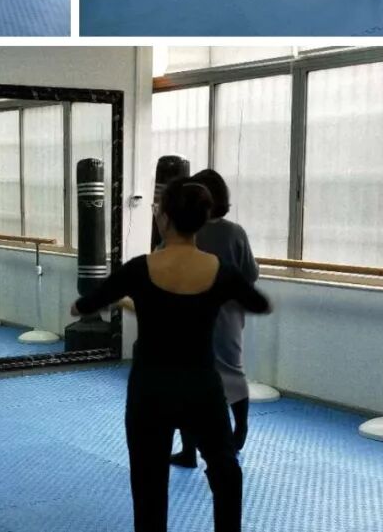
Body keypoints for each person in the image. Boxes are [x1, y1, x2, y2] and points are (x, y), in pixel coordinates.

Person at [72, 177, 271, 532]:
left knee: (148, 484)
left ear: (164, 218)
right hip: (202, 387)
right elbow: (258, 303)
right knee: (226, 472)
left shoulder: (140, 268)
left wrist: (113, 302)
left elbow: (85, 304)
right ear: (202, 219)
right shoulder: (219, 270)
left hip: (150, 389)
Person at [171, 169, 259, 468]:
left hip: (189, 313)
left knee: (187, 379)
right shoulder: (234, 232)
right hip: (227, 314)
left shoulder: (185, 232)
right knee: (231, 371)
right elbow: (250, 274)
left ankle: (188, 450)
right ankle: (239, 431)